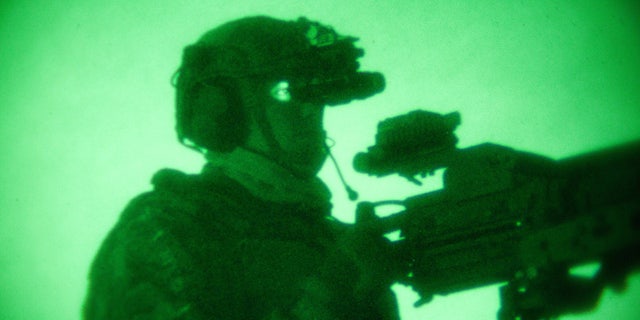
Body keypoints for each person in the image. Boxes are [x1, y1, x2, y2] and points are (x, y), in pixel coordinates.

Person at [83, 15, 400, 319]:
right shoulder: (164, 226)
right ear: (221, 111)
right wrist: (334, 289)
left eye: (316, 93)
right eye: (285, 92)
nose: (309, 111)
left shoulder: (328, 238)